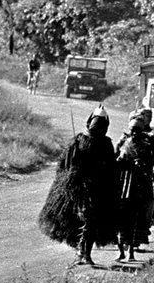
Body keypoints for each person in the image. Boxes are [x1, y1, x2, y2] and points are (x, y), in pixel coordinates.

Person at [38, 105, 118, 266]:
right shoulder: (79, 140)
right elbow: (66, 165)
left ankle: (85, 254)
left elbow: (111, 167)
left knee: (90, 220)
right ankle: (81, 253)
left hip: (98, 188)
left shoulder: (104, 143)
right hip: (77, 188)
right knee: (78, 220)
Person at [115, 110, 154, 262]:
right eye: (132, 130)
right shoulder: (123, 140)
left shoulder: (149, 141)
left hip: (141, 184)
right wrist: (121, 162)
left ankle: (131, 252)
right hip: (124, 184)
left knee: (137, 218)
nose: (135, 133)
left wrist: (145, 163)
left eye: (138, 130)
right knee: (121, 218)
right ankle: (121, 251)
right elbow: (115, 157)